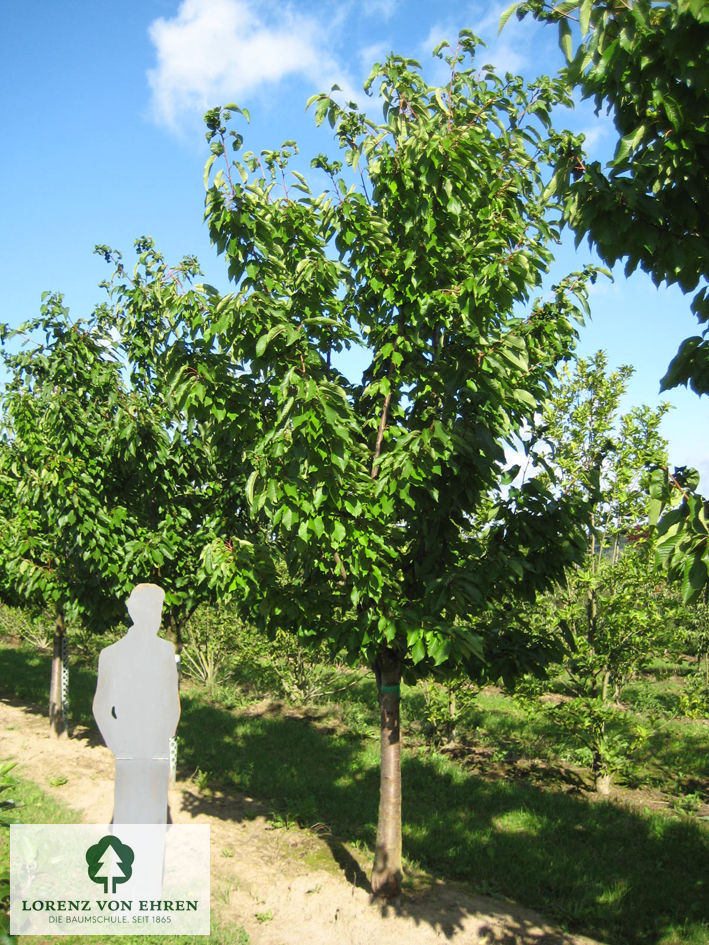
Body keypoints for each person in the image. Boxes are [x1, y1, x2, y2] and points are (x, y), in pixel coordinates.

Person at [93, 583, 180, 824]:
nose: (156, 616)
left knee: (154, 818)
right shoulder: (111, 654)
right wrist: (118, 745)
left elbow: (173, 703)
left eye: (158, 609)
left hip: (157, 748)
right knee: (128, 816)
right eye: (150, 609)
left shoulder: (165, 652)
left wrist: (164, 740)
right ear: (134, 612)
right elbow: (100, 707)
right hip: (127, 745)